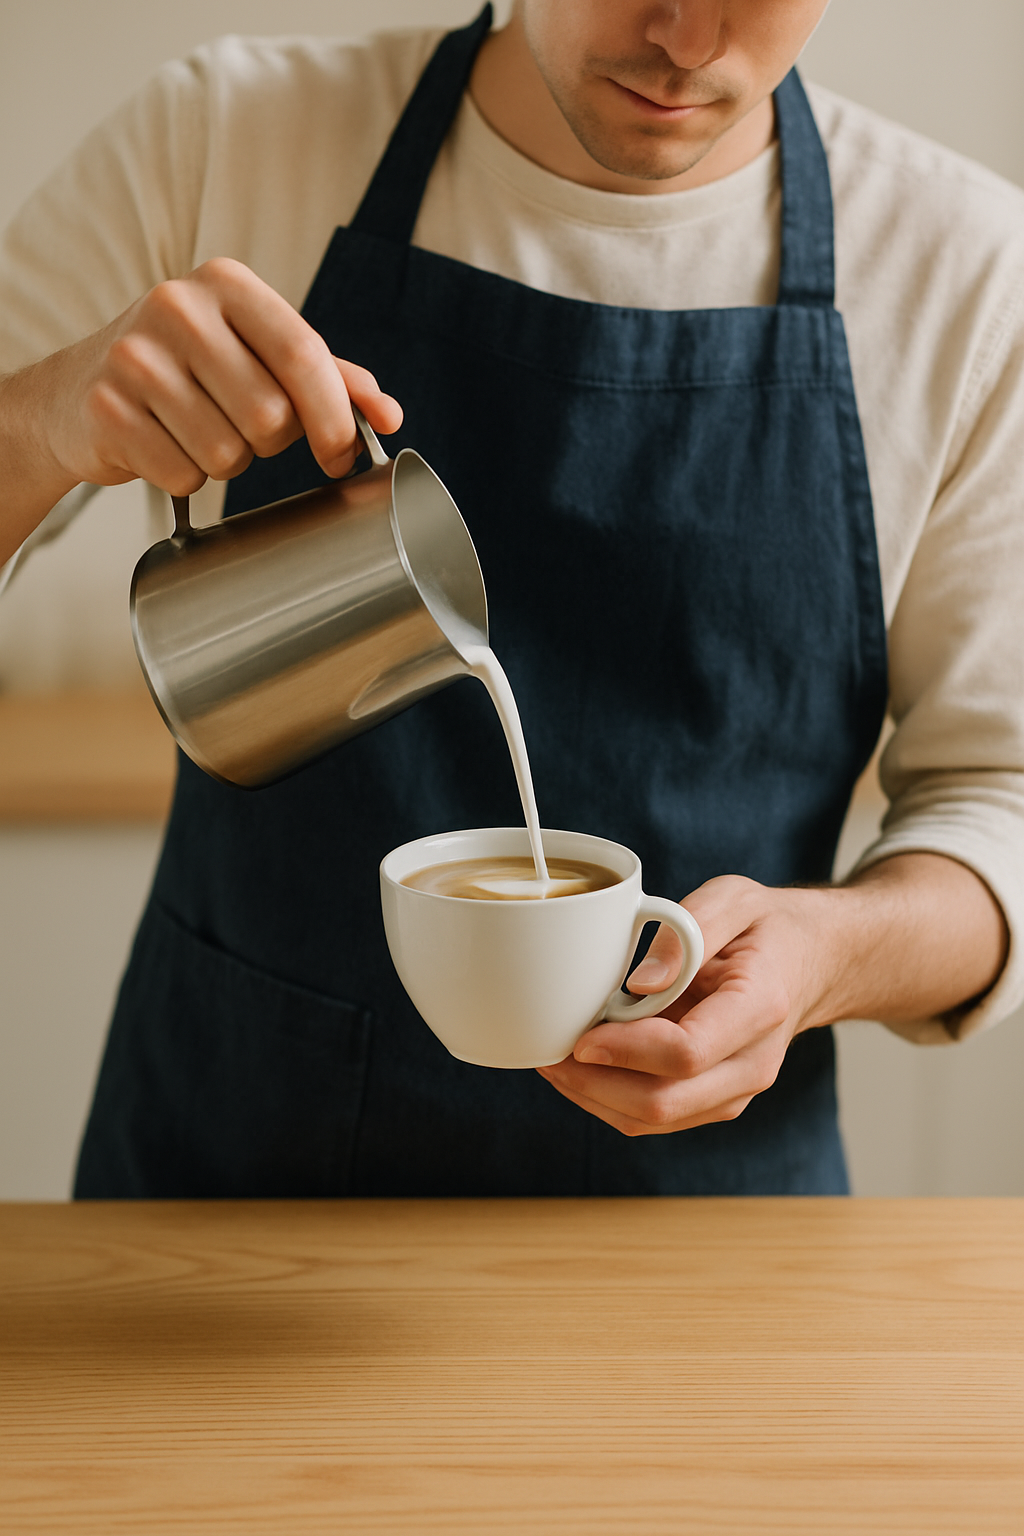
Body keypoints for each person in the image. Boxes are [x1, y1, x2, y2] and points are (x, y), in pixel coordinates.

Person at [1, 1, 1022, 1196]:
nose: (688, 38)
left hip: (709, 1252)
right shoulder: (225, 135)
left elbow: (995, 803)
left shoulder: (962, 270)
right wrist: (42, 423)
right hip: (227, 1212)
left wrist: (829, 959)